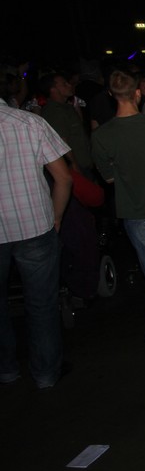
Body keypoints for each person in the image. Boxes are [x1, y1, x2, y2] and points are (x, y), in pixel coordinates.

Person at [91, 70, 145, 344]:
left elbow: (108, 178)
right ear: (138, 93)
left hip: (138, 212)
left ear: (111, 95)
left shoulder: (102, 135)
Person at [0, 102, 73, 388]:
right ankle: (45, 374)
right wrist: (56, 216)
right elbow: (63, 178)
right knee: (41, 303)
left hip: (29, 228)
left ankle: (6, 370)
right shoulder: (29, 122)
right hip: (33, 225)